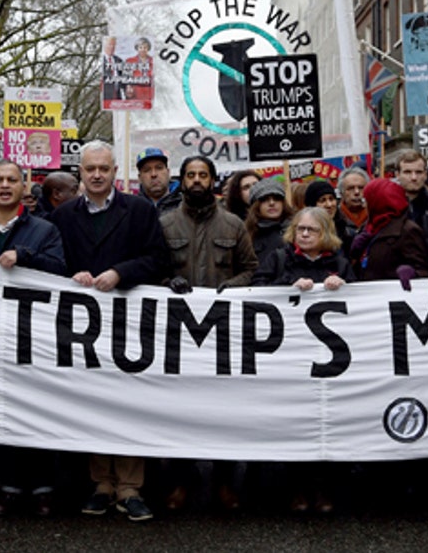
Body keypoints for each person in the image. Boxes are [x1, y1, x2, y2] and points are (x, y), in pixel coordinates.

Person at [50, 140, 168, 523]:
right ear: (80, 173)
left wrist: (121, 273)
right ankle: (101, 482)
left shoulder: (138, 210)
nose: (97, 175)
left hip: (128, 322)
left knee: (127, 401)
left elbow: (158, 258)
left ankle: (131, 488)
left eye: (104, 168)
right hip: (82, 326)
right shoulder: (64, 215)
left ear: (116, 172)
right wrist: (72, 275)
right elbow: (54, 262)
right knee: (94, 401)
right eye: (90, 169)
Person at [0, 160, 66, 517]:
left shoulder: (44, 229)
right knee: (3, 412)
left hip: (35, 336)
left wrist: (24, 256)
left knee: (37, 412)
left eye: (12, 180)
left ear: (24, 187)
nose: (5, 185)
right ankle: (6, 487)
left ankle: (43, 489)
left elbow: (59, 269)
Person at [160, 156, 257, 510]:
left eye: (203, 175)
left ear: (213, 181)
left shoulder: (234, 224)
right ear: (182, 181)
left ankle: (223, 482)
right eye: (190, 175)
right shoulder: (165, 223)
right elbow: (153, 268)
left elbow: (251, 269)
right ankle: (183, 480)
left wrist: (231, 286)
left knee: (223, 410)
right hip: (179, 334)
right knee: (180, 409)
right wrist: (168, 281)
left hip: (223, 334)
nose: (197, 181)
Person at [252, 206, 353, 513]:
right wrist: (286, 287)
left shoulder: (340, 263)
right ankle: (297, 488)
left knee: (328, 420)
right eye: (300, 229)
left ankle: (324, 490)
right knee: (297, 421)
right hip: (291, 356)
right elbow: (257, 290)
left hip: (330, 361)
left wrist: (344, 286)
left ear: (326, 234)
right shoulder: (280, 259)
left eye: (312, 230)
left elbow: (363, 303)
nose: (305, 235)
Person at [351, 178, 428, 286]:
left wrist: (413, 273)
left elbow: (424, 271)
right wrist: (354, 254)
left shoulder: (408, 230)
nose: (364, 205)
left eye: (367, 200)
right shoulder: (370, 228)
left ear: (379, 201)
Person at [244, 178, 292, 270]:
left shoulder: (298, 229)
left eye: (276, 198)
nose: (272, 203)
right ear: (256, 205)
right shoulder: (247, 234)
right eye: (265, 199)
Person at [303, 179, 354, 254]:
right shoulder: (303, 234)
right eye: (322, 200)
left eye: (331, 199)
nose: (329, 205)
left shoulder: (347, 232)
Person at [135, 147, 181, 214]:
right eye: (147, 170)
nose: (153, 174)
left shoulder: (185, 205)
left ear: (168, 172)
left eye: (159, 168)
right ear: (139, 178)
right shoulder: (133, 209)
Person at [337, 165, 369, 236]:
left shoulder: (376, 217)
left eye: (361, 188)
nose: (357, 192)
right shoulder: (334, 219)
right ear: (341, 193)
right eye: (351, 188)